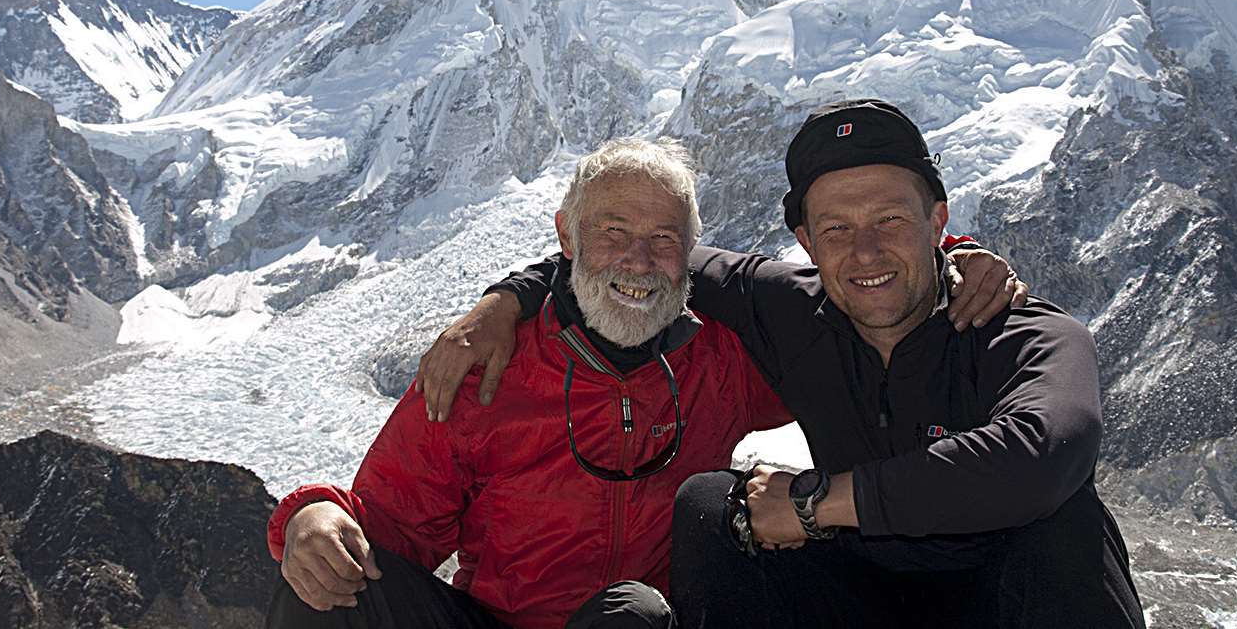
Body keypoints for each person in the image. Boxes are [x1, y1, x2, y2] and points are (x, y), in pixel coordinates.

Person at [420, 100, 1144, 628]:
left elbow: (1042, 454)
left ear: (938, 222)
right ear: (804, 237)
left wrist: (815, 502)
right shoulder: (785, 305)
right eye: (836, 227)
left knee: (1066, 523)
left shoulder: (1021, 330)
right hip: (861, 592)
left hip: (1004, 596)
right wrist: (505, 300)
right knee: (713, 504)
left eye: (890, 219)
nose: (864, 251)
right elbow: (632, 253)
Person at [266, 136, 1019, 629]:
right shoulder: (486, 363)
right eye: (612, 232)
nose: (636, 258)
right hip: (493, 620)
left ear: (691, 252)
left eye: (662, 239)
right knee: (325, 592)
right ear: (566, 236)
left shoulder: (728, 353)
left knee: (635, 614)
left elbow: (861, 293)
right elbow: (384, 523)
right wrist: (307, 517)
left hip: (635, 623)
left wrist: (950, 253)